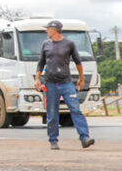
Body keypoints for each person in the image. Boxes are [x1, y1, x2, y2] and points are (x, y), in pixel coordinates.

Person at [37, 21, 93, 149]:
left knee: (75, 109)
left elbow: (78, 62)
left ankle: (85, 137)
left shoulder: (69, 44)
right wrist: (37, 79)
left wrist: (81, 78)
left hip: (66, 83)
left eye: (48, 29)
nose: (46, 31)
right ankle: (53, 140)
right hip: (50, 83)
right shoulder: (45, 44)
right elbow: (41, 62)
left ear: (55, 29)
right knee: (52, 112)